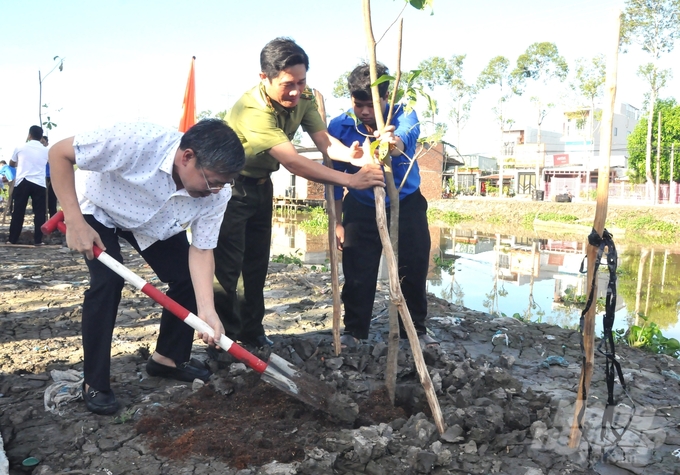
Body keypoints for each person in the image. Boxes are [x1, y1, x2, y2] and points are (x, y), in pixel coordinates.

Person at [49, 119, 245, 415]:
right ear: (187, 157)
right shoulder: (135, 140)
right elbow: (59, 153)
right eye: (212, 181)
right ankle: (95, 382)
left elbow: (202, 250)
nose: (217, 190)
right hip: (100, 208)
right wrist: (75, 221)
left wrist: (207, 311)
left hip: (153, 223)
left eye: (224, 183)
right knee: (108, 282)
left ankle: (167, 358)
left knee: (187, 279)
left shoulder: (217, 194)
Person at [213, 37, 385, 349]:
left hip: (261, 186)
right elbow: (293, 162)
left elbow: (326, 143)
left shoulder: (304, 97)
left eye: (301, 82)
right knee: (226, 270)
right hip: (229, 190)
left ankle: (251, 335)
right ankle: (225, 341)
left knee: (256, 265)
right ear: (264, 78)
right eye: (288, 84)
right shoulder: (252, 109)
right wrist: (351, 181)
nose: (295, 91)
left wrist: (354, 156)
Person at [328, 62, 437, 349]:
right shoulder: (339, 126)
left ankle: (415, 332)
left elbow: (406, 138)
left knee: (412, 269)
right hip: (360, 206)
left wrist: (391, 141)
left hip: (406, 203)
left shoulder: (405, 115)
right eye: (358, 104)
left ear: (388, 97)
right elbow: (335, 178)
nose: (364, 112)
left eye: (371, 105)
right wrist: (337, 222)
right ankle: (354, 332)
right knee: (358, 273)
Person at [7, 126, 48, 245]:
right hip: (39, 183)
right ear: (41, 137)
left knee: (18, 211)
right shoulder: (46, 150)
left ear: (29, 135)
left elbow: (11, 163)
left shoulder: (20, 147)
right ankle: (38, 240)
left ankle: (13, 239)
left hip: (22, 182)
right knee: (40, 213)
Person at [42, 135, 58, 218]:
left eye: (44, 142)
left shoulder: (49, 152)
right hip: (41, 179)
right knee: (42, 202)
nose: (42, 143)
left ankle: (53, 221)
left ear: (47, 143)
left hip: (50, 178)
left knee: (52, 200)